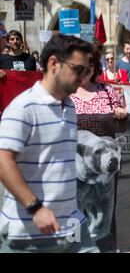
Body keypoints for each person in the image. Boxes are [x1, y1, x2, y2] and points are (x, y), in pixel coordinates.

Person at [0, 33, 98, 253]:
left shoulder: (70, 106)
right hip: (29, 233)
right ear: (53, 63)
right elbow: (3, 161)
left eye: (87, 71)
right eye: (78, 70)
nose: (83, 78)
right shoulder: (23, 108)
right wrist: (35, 208)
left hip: (72, 224)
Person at [69, 45, 127, 252]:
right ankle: (74, 248)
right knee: (73, 213)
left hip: (105, 169)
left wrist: (120, 112)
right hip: (73, 168)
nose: (86, 67)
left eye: (91, 62)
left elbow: (122, 119)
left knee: (106, 213)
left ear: (95, 65)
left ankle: (107, 249)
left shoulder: (107, 91)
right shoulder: (66, 93)